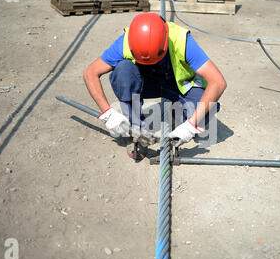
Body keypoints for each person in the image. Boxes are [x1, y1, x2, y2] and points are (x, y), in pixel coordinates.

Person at [83, 13, 227, 156]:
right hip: (146, 83)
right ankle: (137, 131)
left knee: (205, 110)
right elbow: (90, 73)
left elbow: (218, 82)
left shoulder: (182, 41)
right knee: (123, 71)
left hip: (177, 85)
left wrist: (190, 126)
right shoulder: (126, 41)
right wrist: (108, 114)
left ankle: (180, 121)